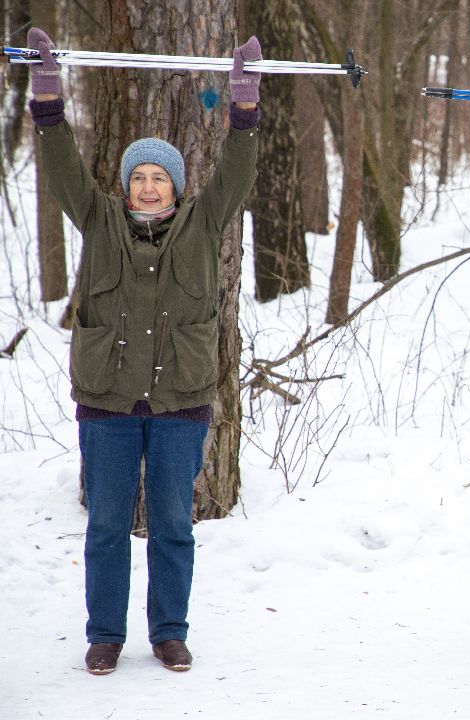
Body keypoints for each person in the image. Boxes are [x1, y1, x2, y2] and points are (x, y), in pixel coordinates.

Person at [26, 27, 262, 674]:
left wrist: (244, 107)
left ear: (178, 188)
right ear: (127, 185)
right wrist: (47, 99)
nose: (151, 187)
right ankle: (105, 633)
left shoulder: (204, 222)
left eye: (161, 177)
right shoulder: (99, 219)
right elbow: (64, 169)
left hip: (181, 401)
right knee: (106, 528)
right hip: (107, 401)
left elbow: (238, 173)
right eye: (141, 177)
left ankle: (169, 631)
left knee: (173, 526)